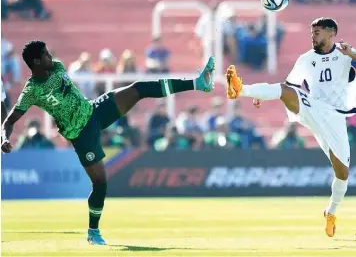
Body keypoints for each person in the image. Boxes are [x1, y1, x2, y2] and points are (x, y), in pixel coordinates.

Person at [1, 40, 215, 245]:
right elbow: (10, 120)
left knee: (138, 88)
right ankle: (93, 232)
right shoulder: (31, 91)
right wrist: (4, 137)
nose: (51, 56)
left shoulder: (56, 67)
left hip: (94, 110)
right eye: (46, 55)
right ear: (36, 62)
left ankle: (198, 82)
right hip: (81, 134)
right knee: (100, 184)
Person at [225, 18, 356, 238]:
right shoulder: (305, 59)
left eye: (317, 32)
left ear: (331, 33)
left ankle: (331, 212)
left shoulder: (346, 56)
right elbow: (289, 87)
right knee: (285, 91)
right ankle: (240, 89)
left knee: (342, 174)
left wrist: (352, 54)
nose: (312, 36)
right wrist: (260, 95)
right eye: (311, 31)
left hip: (335, 118)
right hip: (314, 109)